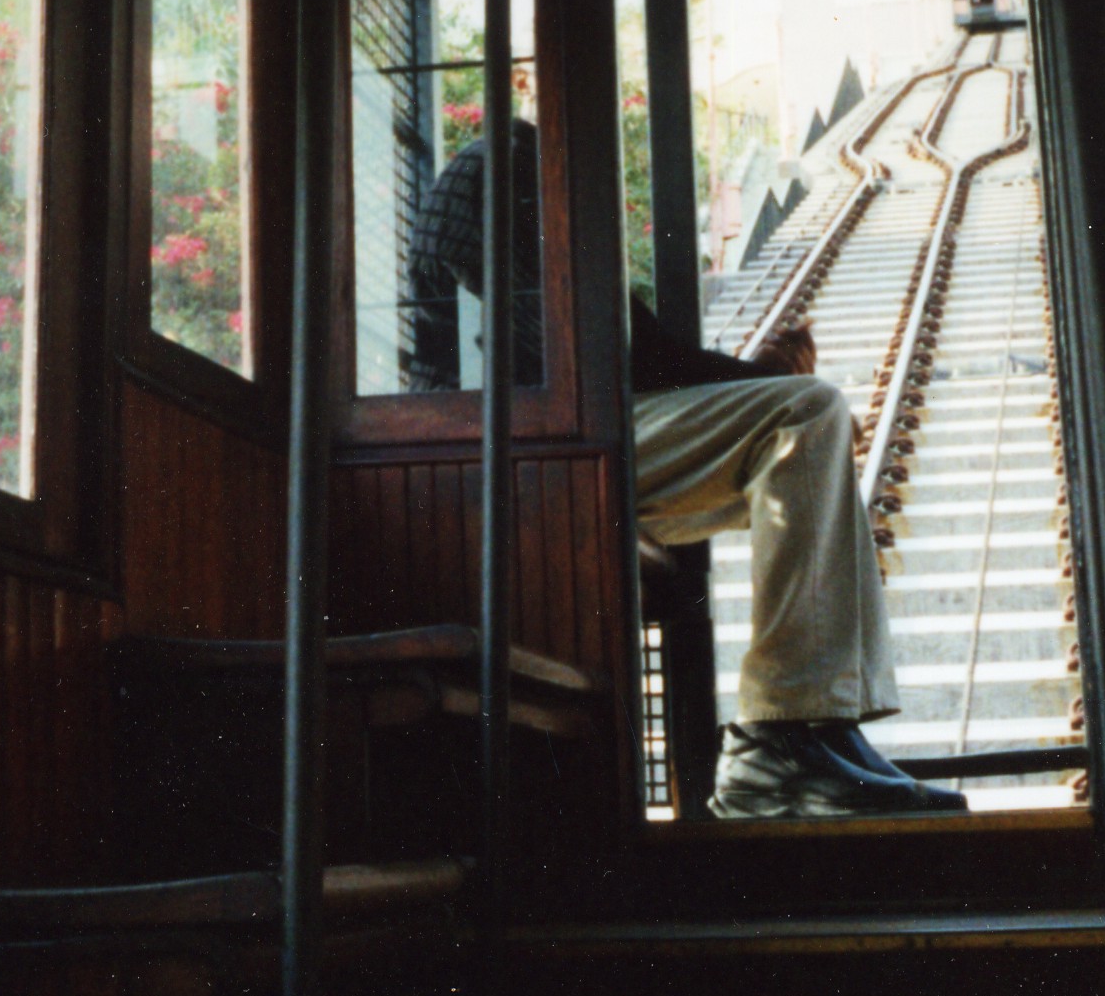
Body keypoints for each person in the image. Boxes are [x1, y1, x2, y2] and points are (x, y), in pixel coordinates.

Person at [408, 125, 964, 820]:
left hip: (531, 440)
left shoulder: (521, 183)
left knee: (803, 418)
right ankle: (783, 735)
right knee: (806, 412)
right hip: (517, 446)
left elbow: (626, 353)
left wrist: (755, 379)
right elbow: (622, 359)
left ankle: (818, 725)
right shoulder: (518, 176)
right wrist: (759, 381)